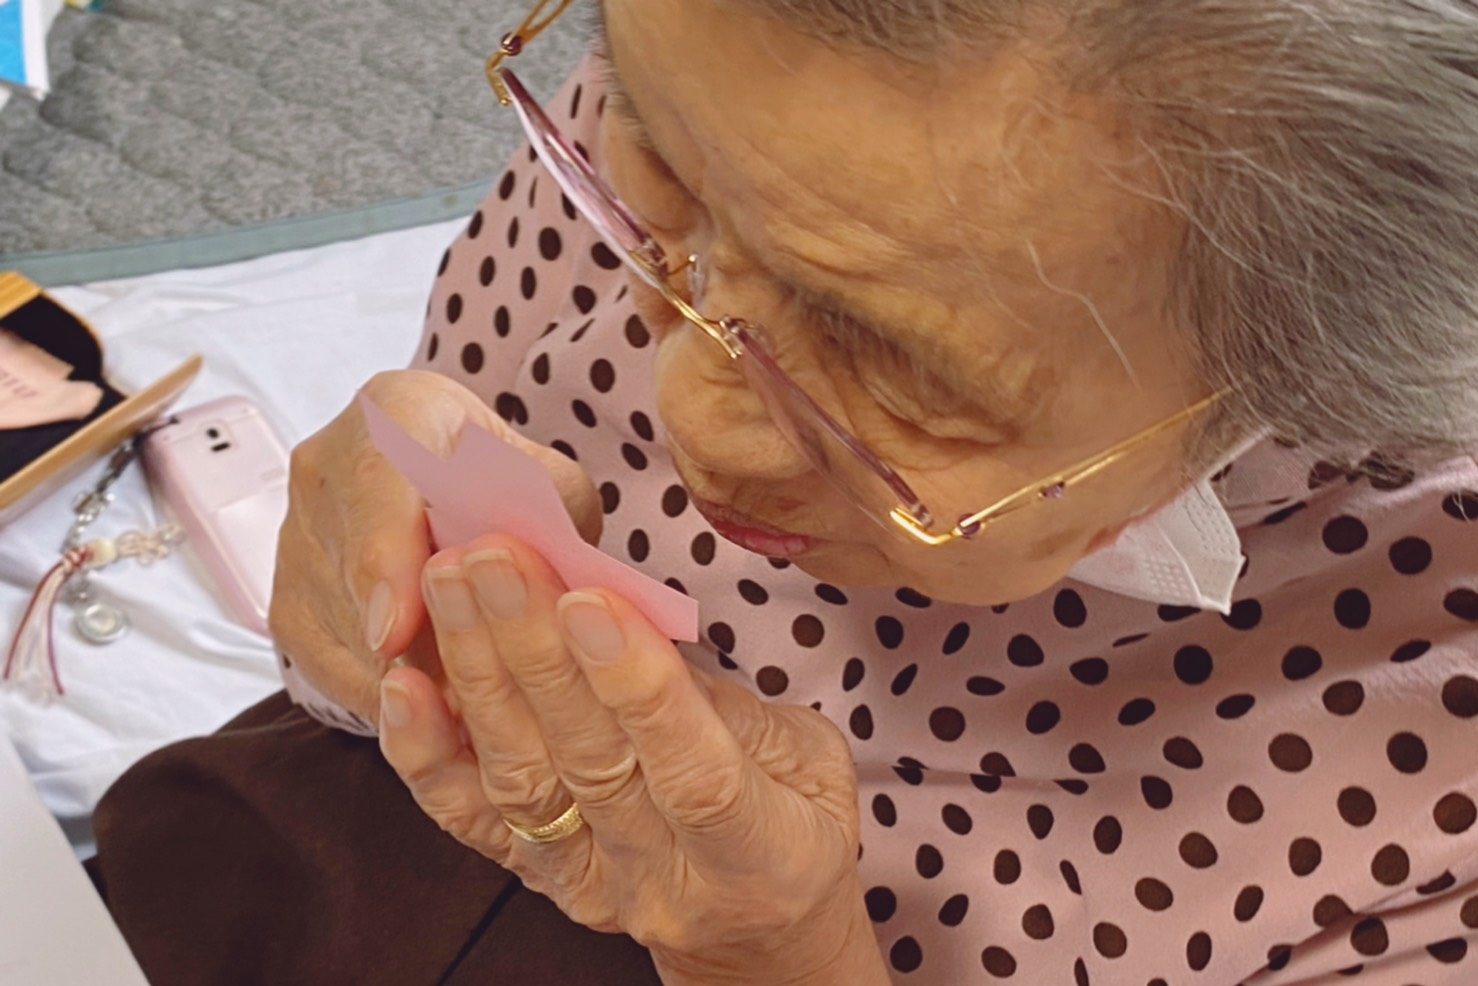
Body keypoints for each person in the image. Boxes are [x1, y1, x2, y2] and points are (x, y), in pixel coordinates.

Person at [94, 0, 1478, 983]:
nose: (692, 420)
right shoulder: (733, 98)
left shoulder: (1429, 778)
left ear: (1314, 374)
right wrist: (356, 600)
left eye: (896, 371)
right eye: (658, 186)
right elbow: (355, 648)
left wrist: (772, 954)